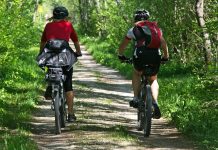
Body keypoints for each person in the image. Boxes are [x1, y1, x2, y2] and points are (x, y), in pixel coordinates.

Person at [117, 10, 169, 119]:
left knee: (136, 73)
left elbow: (123, 45)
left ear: (135, 19)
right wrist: (165, 57)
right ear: (148, 18)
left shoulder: (133, 29)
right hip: (155, 55)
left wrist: (120, 55)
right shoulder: (156, 29)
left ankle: (136, 98)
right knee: (153, 79)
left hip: (140, 56)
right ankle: (155, 103)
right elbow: (163, 43)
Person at [40, 6, 82, 122]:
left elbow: (43, 42)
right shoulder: (68, 25)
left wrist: (41, 53)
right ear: (65, 16)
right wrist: (78, 52)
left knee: (49, 67)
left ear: (54, 16)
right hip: (65, 57)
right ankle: (71, 114)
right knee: (68, 85)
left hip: (50, 56)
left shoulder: (48, 26)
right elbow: (75, 40)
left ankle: (50, 86)